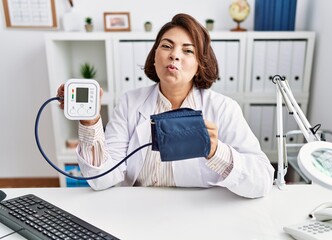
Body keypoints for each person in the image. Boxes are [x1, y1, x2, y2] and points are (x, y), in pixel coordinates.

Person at [57, 13, 274, 198]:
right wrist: (90, 121)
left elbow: (262, 181)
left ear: (200, 64)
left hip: (200, 213)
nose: (174, 55)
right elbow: (100, 178)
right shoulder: (130, 102)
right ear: (154, 58)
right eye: (166, 46)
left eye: (187, 51)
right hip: (138, 211)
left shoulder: (224, 108)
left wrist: (216, 151)